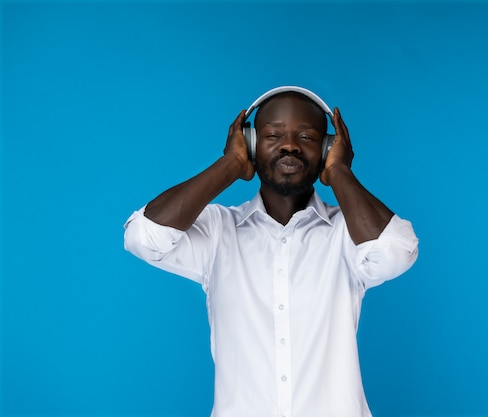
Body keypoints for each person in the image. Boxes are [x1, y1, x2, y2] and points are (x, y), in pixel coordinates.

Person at [124, 86, 418, 417]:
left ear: (327, 148)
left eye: (306, 137)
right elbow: (142, 238)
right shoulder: (220, 230)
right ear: (251, 144)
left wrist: (339, 172)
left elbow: (396, 253)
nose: (289, 145)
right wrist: (231, 163)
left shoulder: (348, 233)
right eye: (273, 135)